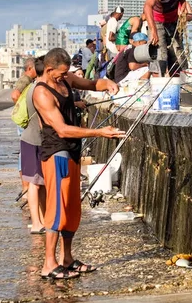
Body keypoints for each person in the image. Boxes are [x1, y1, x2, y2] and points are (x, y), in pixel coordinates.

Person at [33, 48, 125, 280]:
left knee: (73, 210)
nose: (65, 77)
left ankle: (67, 259)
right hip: (56, 153)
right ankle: (48, 264)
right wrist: (100, 133)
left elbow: (92, 84)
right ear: (50, 68)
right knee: (57, 209)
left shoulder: (66, 78)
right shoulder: (42, 93)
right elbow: (62, 129)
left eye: (66, 74)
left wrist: (108, 84)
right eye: (61, 74)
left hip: (73, 151)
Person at [144, 0, 192, 77]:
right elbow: (147, 6)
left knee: (178, 59)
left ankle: (175, 90)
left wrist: (182, 11)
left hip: (173, 21)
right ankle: (158, 89)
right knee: (159, 58)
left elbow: (182, 0)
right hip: (157, 20)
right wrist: (153, 30)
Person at [20, 56, 47, 235]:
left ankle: (44, 220)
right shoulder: (37, 90)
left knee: (41, 183)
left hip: (34, 140)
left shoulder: (33, 87)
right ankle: (36, 223)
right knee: (34, 184)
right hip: (33, 141)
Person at [12, 58, 37, 194]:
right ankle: (26, 187)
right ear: (29, 68)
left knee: (25, 151)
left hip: (26, 120)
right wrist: (25, 109)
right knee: (25, 152)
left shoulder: (29, 80)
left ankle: (26, 186)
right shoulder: (25, 79)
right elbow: (15, 95)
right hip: (26, 121)